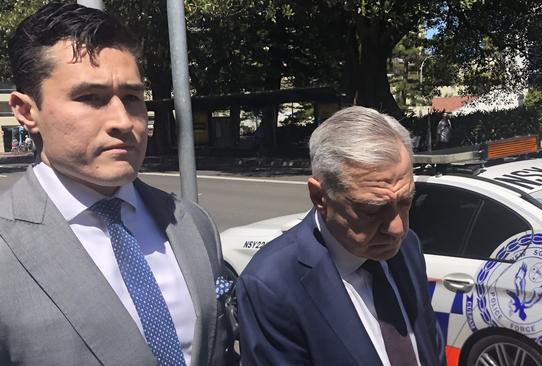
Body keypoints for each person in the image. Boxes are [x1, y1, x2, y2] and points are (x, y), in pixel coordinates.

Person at [1, 3, 235, 365]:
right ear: (27, 111)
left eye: (131, 98)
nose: (123, 121)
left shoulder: (192, 224)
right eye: (90, 98)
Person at [237, 106, 446, 365]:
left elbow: (429, 346)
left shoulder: (408, 246)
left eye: (405, 201)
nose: (397, 228)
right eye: (372, 209)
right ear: (319, 197)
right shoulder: (271, 285)